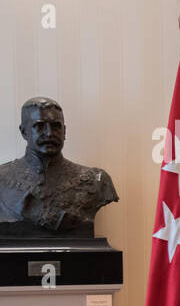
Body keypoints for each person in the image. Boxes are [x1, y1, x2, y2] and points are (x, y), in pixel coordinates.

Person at [0, 97, 117, 236]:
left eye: (56, 126)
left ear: (64, 131)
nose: (49, 133)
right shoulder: (3, 178)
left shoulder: (96, 181)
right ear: (24, 132)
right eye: (40, 126)